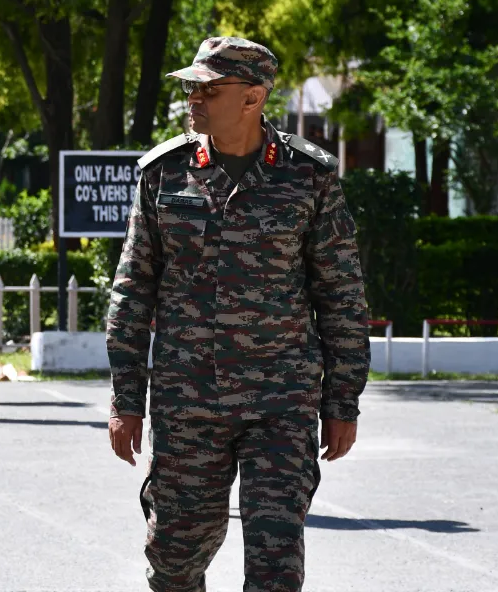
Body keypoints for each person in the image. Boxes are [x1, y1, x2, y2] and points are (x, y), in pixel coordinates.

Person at [105, 36, 370, 592]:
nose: (193, 98)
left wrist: (342, 401)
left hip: (281, 399)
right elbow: (132, 292)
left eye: (209, 88)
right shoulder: (164, 173)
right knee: (175, 558)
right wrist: (126, 399)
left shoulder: (309, 177)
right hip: (188, 401)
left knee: (276, 562)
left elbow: (340, 295)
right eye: (191, 87)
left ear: (253, 97)